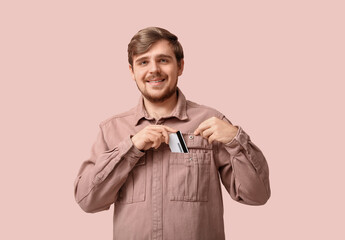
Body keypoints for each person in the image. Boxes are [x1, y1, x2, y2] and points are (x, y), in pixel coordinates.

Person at [74, 26, 271, 240]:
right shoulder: (111, 130)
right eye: (143, 62)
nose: (154, 70)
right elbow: (87, 201)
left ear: (180, 66)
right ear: (132, 71)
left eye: (163, 60)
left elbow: (257, 195)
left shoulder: (211, 122)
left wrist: (236, 139)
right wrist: (130, 148)